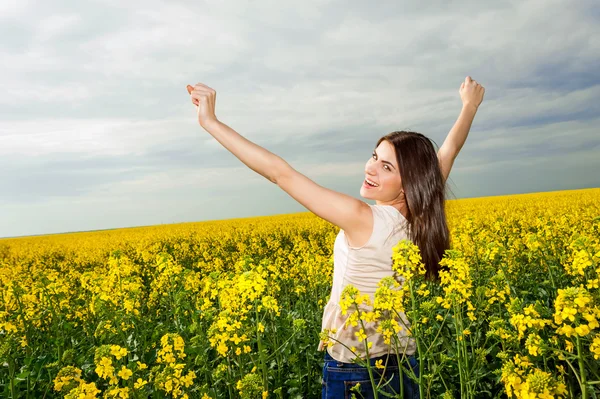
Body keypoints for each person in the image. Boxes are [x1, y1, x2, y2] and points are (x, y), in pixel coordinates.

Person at [186, 77, 485, 398]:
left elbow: (279, 173)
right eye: (374, 156)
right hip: (403, 363)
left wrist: (210, 122)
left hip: (355, 369)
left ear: (408, 182)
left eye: (386, 167)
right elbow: (449, 150)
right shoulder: (421, 213)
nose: (371, 169)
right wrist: (469, 106)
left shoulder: (362, 217)